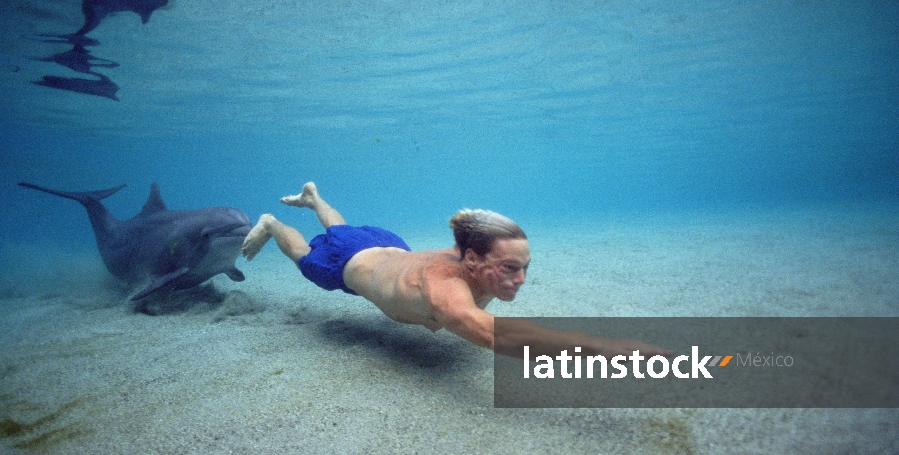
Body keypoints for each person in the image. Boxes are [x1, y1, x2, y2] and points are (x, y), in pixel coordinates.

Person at [242, 182, 671, 359]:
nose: (520, 279)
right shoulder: (441, 285)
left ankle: (315, 197)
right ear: (470, 259)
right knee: (304, 254)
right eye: (509, 268)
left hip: (383, 248)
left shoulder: (468, 254)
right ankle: (272, 222)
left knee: (343, 228)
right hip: (346, 263)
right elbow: (492, 333)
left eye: (525, 267)